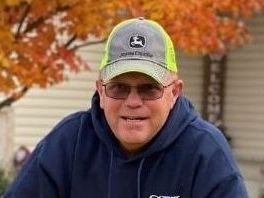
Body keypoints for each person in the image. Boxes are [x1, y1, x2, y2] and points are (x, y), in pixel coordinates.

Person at [5, 17, 248, 198]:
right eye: (119, 87)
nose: (133, 102)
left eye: (149, 89)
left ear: (174, 92)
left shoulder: (206, 153)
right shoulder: (69, 143)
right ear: (100, 91)